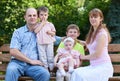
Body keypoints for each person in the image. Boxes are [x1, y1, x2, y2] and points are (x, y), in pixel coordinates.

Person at [5, 8, 50, 81]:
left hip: (33, 66)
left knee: (44, 73)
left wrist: (67, 38)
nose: (32, 17)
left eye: (34, 15)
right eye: (29, 15)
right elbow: (13, 51)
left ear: (37, 17)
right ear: (25, 17)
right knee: (11, 70)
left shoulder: (42, 31)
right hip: (17, 63)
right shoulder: (18, 32)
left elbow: (54, 38)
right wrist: (30, 61)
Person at [71, 8, 113, 81]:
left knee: (81, 76)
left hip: (103, 67)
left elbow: (97, 54)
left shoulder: (102, 34)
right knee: (76, 72)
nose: (93, 19)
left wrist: (83, 57)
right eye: (91, 17)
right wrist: (73, 40)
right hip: (94, 66)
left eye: (95, 17)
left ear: (101, 18)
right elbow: (88, 44)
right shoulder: (93, 32)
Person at [34, 6, 56, 71]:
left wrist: (50, 32)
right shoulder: (37, 24)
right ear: (38, 16)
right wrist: (42, 24)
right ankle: (45, 69)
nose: (43, 16)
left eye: (45, 15)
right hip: (40, 43)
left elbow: (54, 33)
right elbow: (35, 31)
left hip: (49, 42)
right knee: (42, 57)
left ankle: (51, 70)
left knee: (50, 56)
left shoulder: (50, 24)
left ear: (47, 15)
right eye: (41, 15)